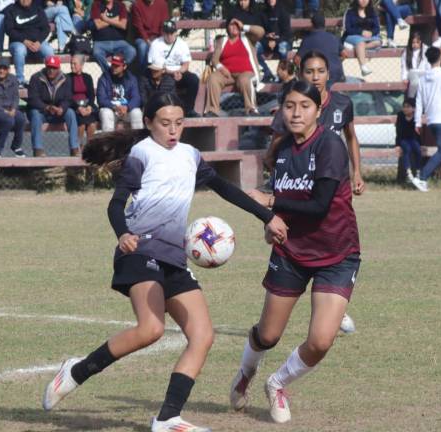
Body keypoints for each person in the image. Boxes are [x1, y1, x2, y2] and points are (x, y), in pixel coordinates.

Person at [42, 91, 288, 432]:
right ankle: (76, 371)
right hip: (140, 251)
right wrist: (122, 233)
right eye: (165, 123)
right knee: (151, 329)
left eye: (179, 123)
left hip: (174, 255)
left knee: (202, 335)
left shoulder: (190, 155)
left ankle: (168, 417)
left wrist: (266, 215)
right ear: (148, 123)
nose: (173, 130)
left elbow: (224, 188)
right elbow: (116, 204)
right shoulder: (142, 155)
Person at [229, 80, 361, 425]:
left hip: (337, 253)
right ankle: (246, 372)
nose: (296, 112)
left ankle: (277, 384)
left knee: (320, 342)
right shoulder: (283, 150)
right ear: (281, 110)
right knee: (268, 335)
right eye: (289, 105)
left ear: (319, 110)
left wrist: (269, 202)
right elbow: (284, 199)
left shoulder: (330, 145)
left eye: (304, 105)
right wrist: (270, 223)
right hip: (292, 252)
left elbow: (318, 206)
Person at [267, 51, 366, 196]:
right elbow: (271, 153)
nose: (315, 77)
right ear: (300, 75)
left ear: (328, 74)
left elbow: (351, 138)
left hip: (332, 178)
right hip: (299, 182)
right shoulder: (290, 108)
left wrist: (356, 172)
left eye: (321, 71)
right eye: (309, 72)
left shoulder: (342, 104)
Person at [411, 46, 441, 193]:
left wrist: (417, 121)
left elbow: (419, 101)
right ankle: (422, 177)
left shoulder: (423, 78)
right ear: (440, 58)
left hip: (430, 120)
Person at [204, 18, 264, 117]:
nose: (234, 27)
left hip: (246, 72)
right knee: (213, 78)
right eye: (231, 25)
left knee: (244, 80)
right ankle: (212, 110)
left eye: (236, 25)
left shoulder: (247, 38)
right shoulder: (222, 41)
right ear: (227, 27)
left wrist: (243, 26)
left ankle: (251, 109)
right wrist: (221, 68)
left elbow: (261, 32)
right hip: (227, 74)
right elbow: (214, 59)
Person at [27, 55, 80, 157]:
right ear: (46, 66)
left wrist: (61, 108)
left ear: (59, 68)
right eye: (49, 67)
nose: (51, 70)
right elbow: (33, 99)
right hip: (42, 111)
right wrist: (46, 107)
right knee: (35, 113)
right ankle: (38, 149)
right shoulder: (36, 78)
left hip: (58, 112)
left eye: (54, 68)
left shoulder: (66, 79)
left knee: (70, 113)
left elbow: (68, 98)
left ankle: (74, 148)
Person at [148, 20, 200, 117]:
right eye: (167, 33)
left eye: (172, 33)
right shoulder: (156, 44)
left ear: (176, 32)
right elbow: (156, 66)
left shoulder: (182, 44)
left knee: (194, 79)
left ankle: (189, 109)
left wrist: (179, 72)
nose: (169, 36)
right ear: (163, 33)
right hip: (163, 72)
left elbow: (186, 64)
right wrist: (171, 72)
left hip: (179, 71)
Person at [5, 0, 52, 87]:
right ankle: (20, 80)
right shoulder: (11, 9)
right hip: (18, 42)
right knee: (20, 50)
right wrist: (24, 41)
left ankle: (51, 79)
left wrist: (39, 41)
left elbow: (46, 28)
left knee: (49, 50)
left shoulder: (38, 9)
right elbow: (9, 29)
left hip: (37, 42)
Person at [224, 0, 273, 83]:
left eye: (245, 0)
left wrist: (270, 39)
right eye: (240, 1)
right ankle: (264, 72)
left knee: (253, 48)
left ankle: (264, 72)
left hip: (258, 41)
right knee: (249, 48)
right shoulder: (234, 13)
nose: (242, 3)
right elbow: (229, 29)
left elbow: (265, 29)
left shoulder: (258, 12)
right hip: (241, 42)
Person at [97, 55, 143, 132]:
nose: (114, 67)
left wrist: (127, 107)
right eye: (113, 65)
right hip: (111, 109)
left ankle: (138, 141)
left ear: (124, 67)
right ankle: (108, 142)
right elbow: (101, 99)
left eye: (117, 66)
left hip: (126, 110)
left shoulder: (131, 78)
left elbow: (136, 98)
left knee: (137, 113)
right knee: (105, 113)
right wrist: (114, 107)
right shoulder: (104, 78)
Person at [90, 0, 136, 75]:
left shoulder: (121, 6)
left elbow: (123, 25)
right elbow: (98, 25)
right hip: (101, 42)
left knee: (132, 51)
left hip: (119, 41)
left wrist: (105, 19)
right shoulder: (96, 5)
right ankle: (109, 73)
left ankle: (120, 70)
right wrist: (115, 20)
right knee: (96, 53)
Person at [297, 13, 345, 84]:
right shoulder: (334, 37)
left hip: (318, 76)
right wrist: (336, 61)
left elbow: (297, 59)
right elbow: (345, 54)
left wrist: (305, 69)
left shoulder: (308, 39)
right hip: (337, 74)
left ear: (312, 25)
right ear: (324, 24)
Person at [66, 54, 99, 146]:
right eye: (71, 63)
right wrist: (78, 108)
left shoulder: (87, 77)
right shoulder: (67, 77)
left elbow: (91, 95)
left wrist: (89, 106)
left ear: (81, 65)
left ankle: (89, 147)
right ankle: (77, 147)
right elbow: (68, 96)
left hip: (86, 105)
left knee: (92, 125)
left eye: (74, 64)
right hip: (74, 106)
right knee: (81, 125)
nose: (72, 66)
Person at [342, 0, 381, 77]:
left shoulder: (372, 12)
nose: (363, 1)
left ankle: (357, 48)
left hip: (368, 37)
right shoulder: (350, 12)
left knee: (378, 42)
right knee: (360, 42)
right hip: (351, 35)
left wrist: (371, 33)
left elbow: (377, 28)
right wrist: (361, 32)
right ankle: (363, 67)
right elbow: (347, 28)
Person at [130, 0, 169, 69]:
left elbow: (164, 25)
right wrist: (148, 41)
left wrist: (159, 41)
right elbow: (139, 27)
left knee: (163, 46)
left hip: (159, 37)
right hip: (142, 37)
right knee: (143, 47)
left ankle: (161, 72)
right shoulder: (137, 5)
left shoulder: (163, 4)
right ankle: (143, 75)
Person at [395, 98, 421, 181]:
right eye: (404, 106)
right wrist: (397, 145)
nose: (405, 109)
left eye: (408, 106)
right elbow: (398, 131)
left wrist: (421, 142)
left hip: (413, 139)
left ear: (413, 108)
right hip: (403, 139)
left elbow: (419, 133)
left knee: (418, 149)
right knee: (407, 149)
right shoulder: (400, 115)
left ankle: (418, 172)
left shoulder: (417, 116)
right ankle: (408, 173)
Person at [401, 32, 430, 98]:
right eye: (413, 42)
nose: (415, 44)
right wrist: (404, 77)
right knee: (415, 80)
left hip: (423, 73)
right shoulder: (406, 52)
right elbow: (404, 66)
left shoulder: (426, 50)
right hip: (412, 73)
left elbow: (428, 64)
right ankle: (411, 97)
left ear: (421, 42)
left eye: (417, 42)